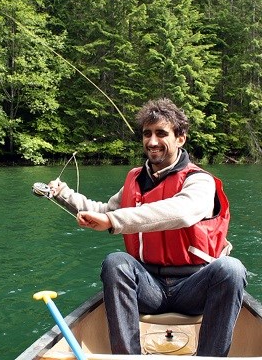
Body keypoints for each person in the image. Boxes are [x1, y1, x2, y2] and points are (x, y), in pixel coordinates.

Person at [48, 98, 247, 356]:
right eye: (147, 134)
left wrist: (114, 221)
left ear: (180, 139)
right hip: (148, 285)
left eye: (161, 134)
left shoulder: (200, 182)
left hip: (194, 287)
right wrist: (64, 194)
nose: (152, 142)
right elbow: (104, 211)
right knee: (115, 262)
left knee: (231, 269)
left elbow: (182, 212)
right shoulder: (134, 179)